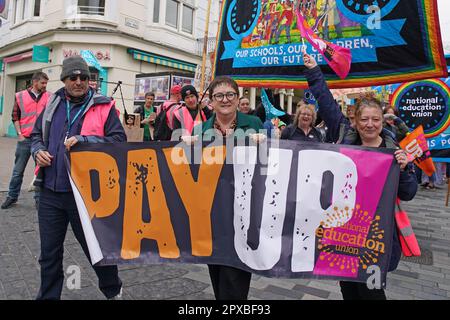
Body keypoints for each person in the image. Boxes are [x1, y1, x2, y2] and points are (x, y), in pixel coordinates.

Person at [303, 52, 417, 300]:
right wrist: (313, 71)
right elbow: (326, 101)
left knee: (373, 293)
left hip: (376, 237)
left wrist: (406, 168)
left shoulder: (393, 150)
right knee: (350, 291)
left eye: (375, 119)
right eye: (364, 119)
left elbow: (408, 193)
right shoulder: (344, 138)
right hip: (344, 235)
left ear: (382, 122)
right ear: (354, 121)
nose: (369, 124)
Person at [30, 56, 125, 300]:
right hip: (50, 192)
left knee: (98, 251)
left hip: (87, 195)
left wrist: (86, 141)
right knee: (49, 254)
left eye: (85, 77)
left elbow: (118, 141)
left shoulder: (104, 106)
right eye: (74, 77)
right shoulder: (52, 103)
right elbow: (36, 135)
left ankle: (113, 291)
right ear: (64, 80)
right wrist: (37, 150)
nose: (80, 81)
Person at [191, 76, 264, 300]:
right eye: (219, 96)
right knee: (216, 270)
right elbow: (192, 172)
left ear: (238, 97)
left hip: (243, 212)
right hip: (211, 213)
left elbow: (266, 167)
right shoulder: (200, 129)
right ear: (211, 101)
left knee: (235, 277)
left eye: (230, 94)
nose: (225, 100)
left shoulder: (253, 125)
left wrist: (266, 144)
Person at [1, 72, 50, 210]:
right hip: (25, 140)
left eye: (46, 83)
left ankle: (39, 200)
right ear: (35, 82)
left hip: (41, 141)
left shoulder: (49, 96)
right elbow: (15, 116)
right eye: (43, 83)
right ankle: (12, 196)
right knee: (17, 171)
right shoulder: (20, 96)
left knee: (40, 172)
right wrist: (20, 134)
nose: (45, 86)